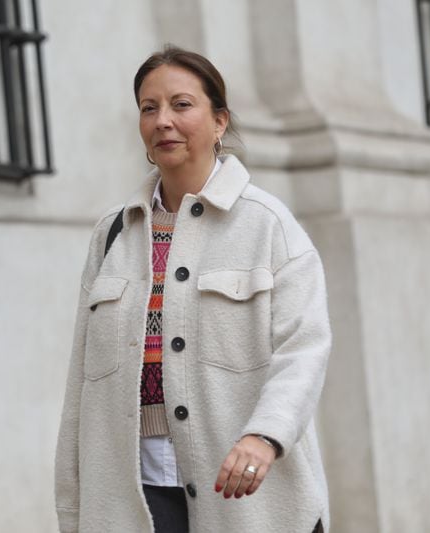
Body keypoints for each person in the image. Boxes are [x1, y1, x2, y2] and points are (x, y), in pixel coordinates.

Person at [55, 46, 331, 533]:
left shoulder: (268, 226)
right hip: (133, 492)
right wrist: (74, 510)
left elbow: (304, 349)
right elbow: (83, 379)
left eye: (181, 105)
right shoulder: (112, 234)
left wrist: (264, 437)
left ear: (219, 121)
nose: (163, 121)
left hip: (245, 494)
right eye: (149, 107)